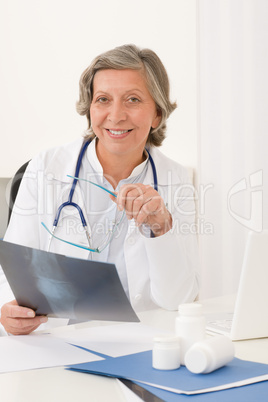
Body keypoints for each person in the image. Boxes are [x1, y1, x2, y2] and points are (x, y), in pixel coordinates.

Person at [0, 44, 199, 336]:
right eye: (103, 99)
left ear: (157, 114)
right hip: (56, 342)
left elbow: (176, 300)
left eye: (132, 99)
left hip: (140, 344)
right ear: (90, 108)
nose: (116, 115)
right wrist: (9, 310)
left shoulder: (176, 180)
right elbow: (12, 272)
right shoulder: (46, 168)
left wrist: (161, 230)